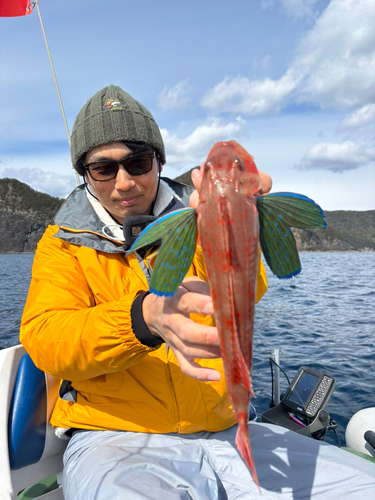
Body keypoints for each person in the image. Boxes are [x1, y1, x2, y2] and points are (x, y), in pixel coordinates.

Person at [20, 85, 375, 500]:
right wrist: (144, 318)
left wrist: (226, 228)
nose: (124, 182)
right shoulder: (63, 242)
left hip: (230, 429)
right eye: (103, 169)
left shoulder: (196, 213)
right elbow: (46, 339)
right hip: (115, 438)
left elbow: (250, 289)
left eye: (138, 162)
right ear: (84, 173)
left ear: (159, 162)